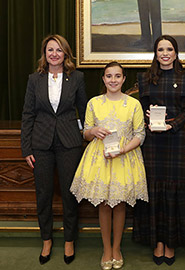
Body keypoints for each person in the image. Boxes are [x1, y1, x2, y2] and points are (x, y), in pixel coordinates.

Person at [70, 61, 148, 270]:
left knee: (120, 204)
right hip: (100, 158)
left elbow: (140, 134)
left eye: (117, 76)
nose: (113, 80)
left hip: (124, 157)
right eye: (109, 76)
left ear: (123, 79)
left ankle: (116, 248)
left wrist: (123, 150)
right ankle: (106, 248)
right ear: (103, 79)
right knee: (104, 204)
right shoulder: (94, 103)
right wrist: (93, 131)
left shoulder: (133, 104)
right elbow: (86, 131)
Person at [132, 35, 185, 266]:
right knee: (154, 191)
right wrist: (147, 115)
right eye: (160, 49)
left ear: (175, 52)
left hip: (176, 141)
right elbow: (139, 108)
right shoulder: (145, 78)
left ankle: (170, 243)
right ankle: (157, 241)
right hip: (152, 143)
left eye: (169, 48)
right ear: (155, 52)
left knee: (174, 193)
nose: (165, 53)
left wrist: (172, 124)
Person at [21, 34, 88, 265]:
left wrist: (86, 135)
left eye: (59, 50)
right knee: (43, 194)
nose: (54, 54)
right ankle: (47, 239)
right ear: (44, 54)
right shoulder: (34, 79)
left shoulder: (77, 78)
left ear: (66, 53)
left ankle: (69, 240)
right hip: (41, 144)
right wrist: (26, 147)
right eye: (50, 50)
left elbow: (83, 111)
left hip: (69, 143)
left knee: (70, 194)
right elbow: (28, 114)